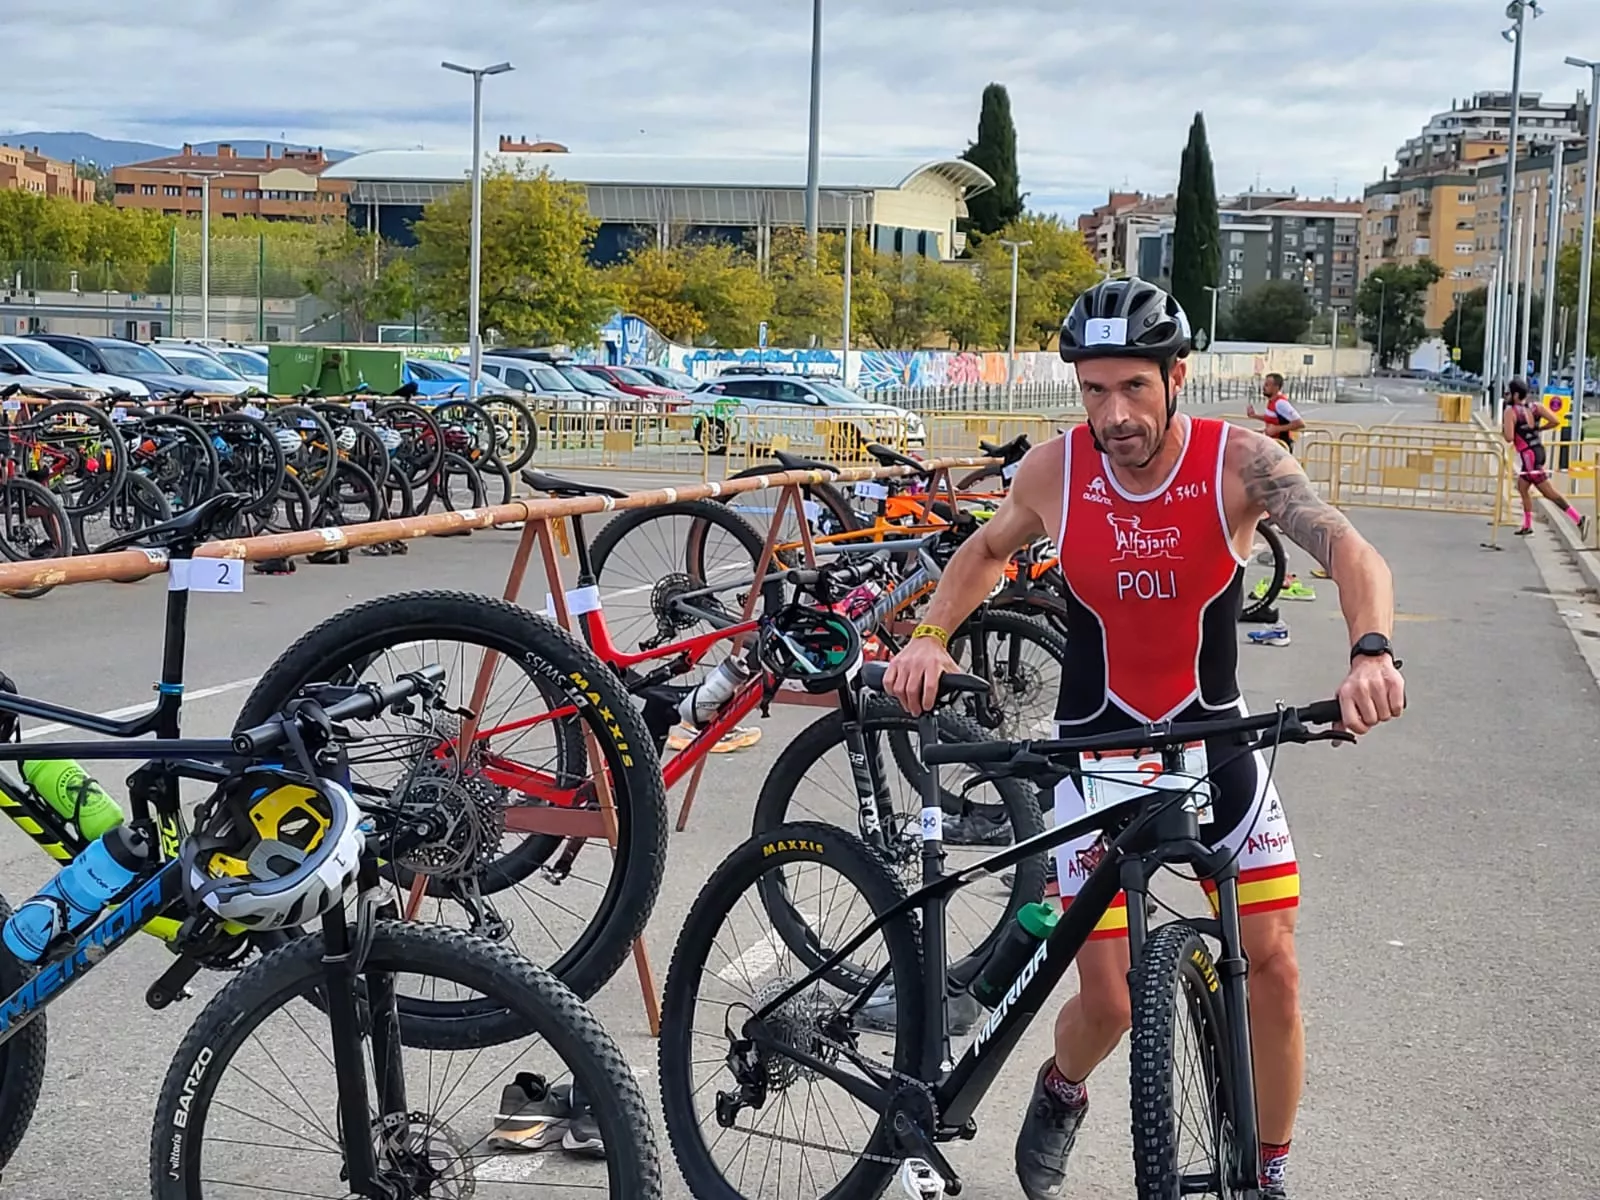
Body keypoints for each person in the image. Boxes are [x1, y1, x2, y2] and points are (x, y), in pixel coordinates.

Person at [883, 277, 1405, 1200]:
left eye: (1133, 387)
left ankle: (1268, 1173)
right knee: (1112, 1001)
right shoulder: (1055, 470)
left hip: (1218, 748)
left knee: (1275, 969)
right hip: (1096, 757)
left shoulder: (1239, 463)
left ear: (1177, 375)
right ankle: (1062, 1087)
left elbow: (1350, 550)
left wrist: (1370, 651)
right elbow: (986, 551)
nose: (1113, 414)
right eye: (1093, 390)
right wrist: (928, 637)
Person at [1502, 377, 1588, 538]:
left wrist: (1506, 427)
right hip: (1538, 450)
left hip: (1528, 455)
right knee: (1522, 486)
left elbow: (1508, 437)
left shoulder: (1510, 411)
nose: (1507, 397)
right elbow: (1555, 420)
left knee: (1548, 492)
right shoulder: (1536, 407)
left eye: (1508, 394)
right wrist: (1539, 428)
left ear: (1514, 395)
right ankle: (1527, 525)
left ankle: (1579, 519)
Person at [1247, 373, 1306, 453]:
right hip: (1273, 445)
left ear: (1276, 387)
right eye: (1264, 384)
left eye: (1267, 385)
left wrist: (1277, 429)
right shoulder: (1272, 401)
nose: (1263, 387)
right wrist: (1254, 416)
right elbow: (1271, 418)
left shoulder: (1281, 403)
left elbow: (1300, 424)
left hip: (1281, 447)